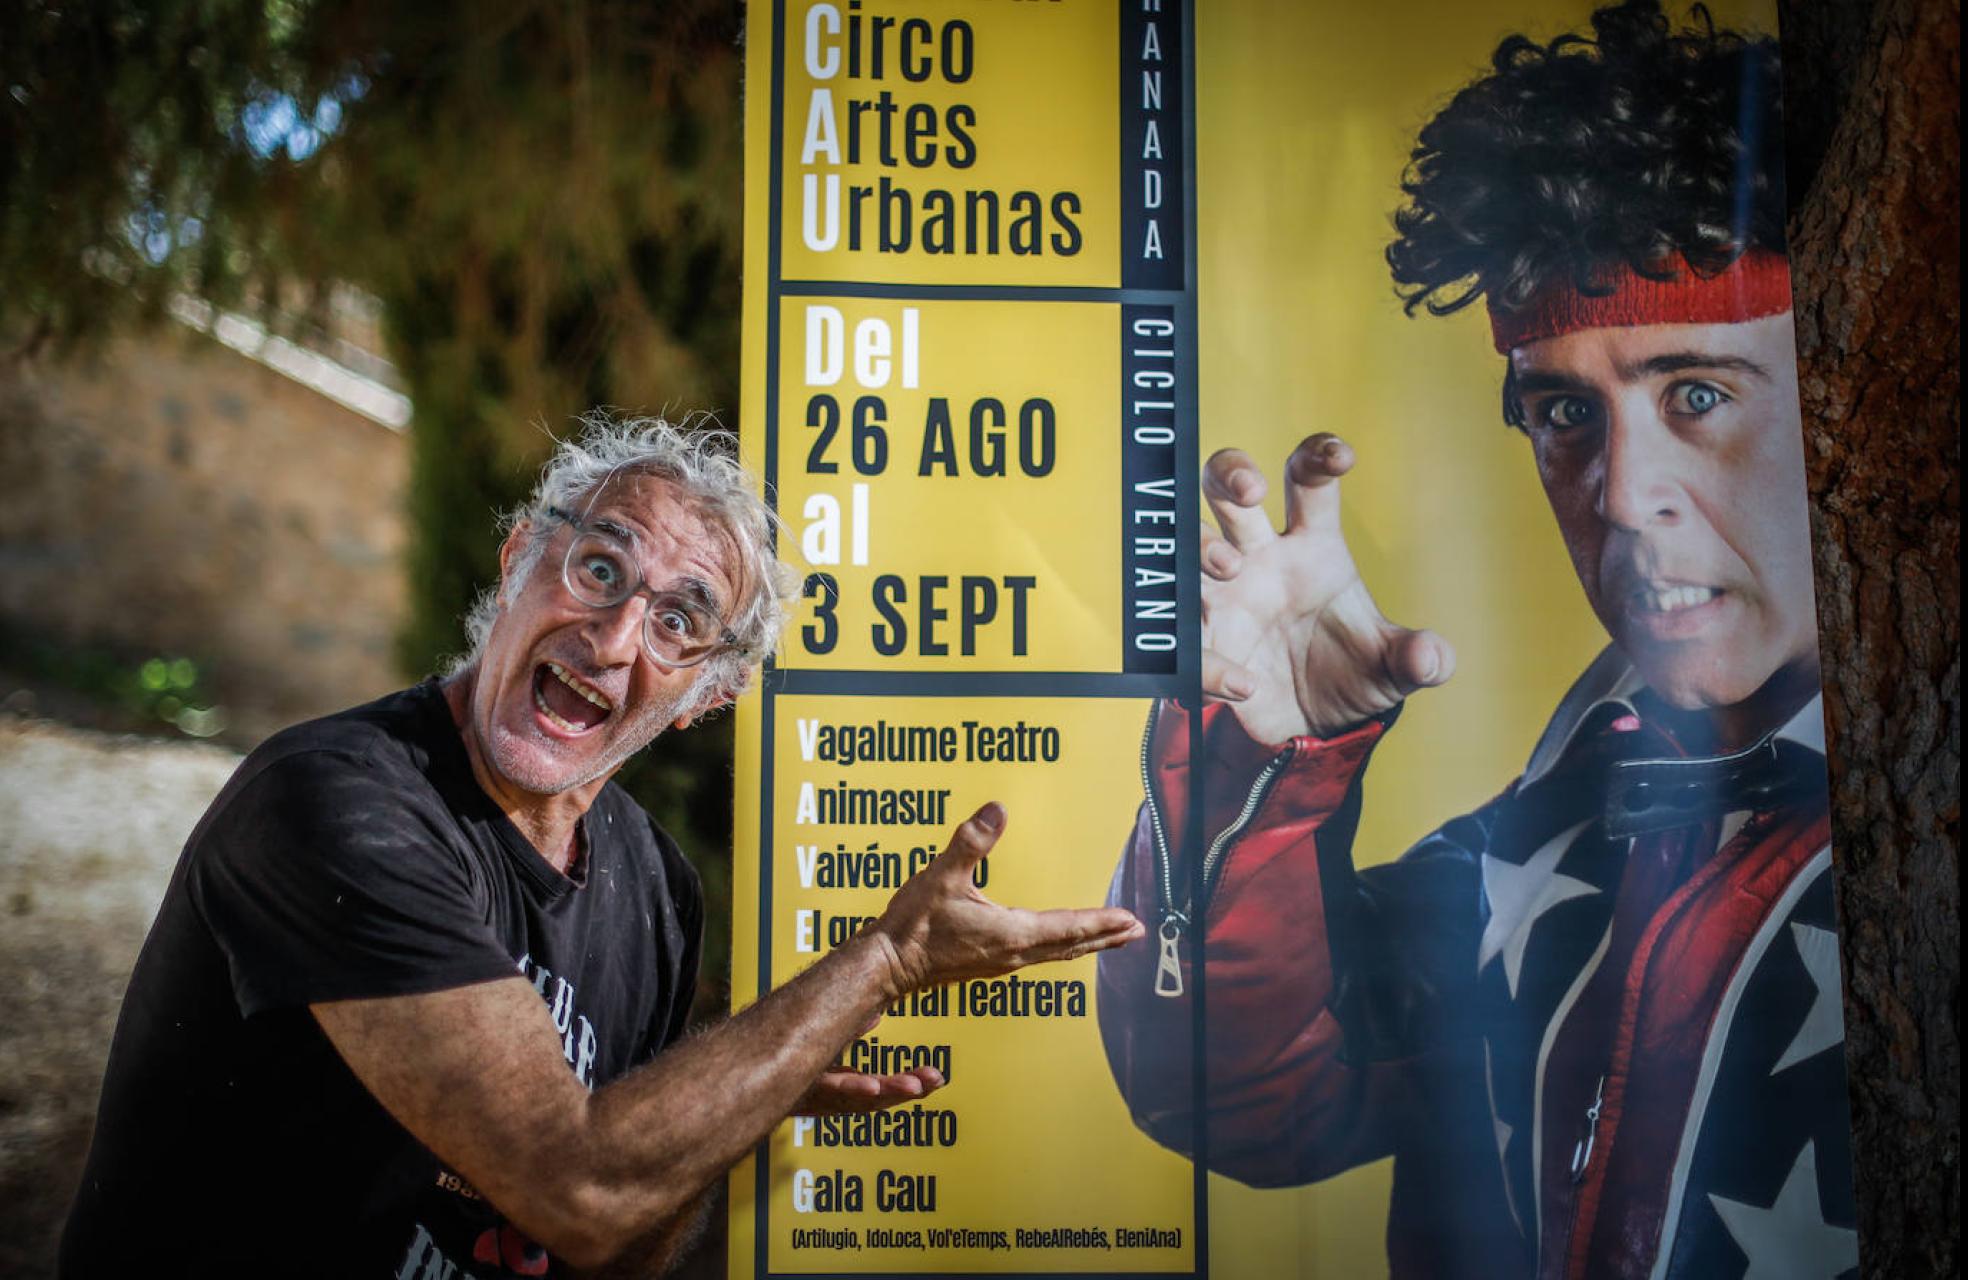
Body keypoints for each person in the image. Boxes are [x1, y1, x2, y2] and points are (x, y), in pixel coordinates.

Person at [1097, 4, 1858, 1278]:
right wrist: (1262, 764)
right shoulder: (1549, 835)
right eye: (1566, 409)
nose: (1621, 493)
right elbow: (1239, 1098)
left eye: (1699, 394)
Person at [61, 414, 1143, 1278]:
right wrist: (891, 958)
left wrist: (720, 1103)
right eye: (598, 567)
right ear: (520, 556)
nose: (618, 635)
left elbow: (614, 1247)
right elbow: (576, 1184)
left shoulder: (655, 888)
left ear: (703, 698)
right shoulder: (337, 803)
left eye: (681, 620)